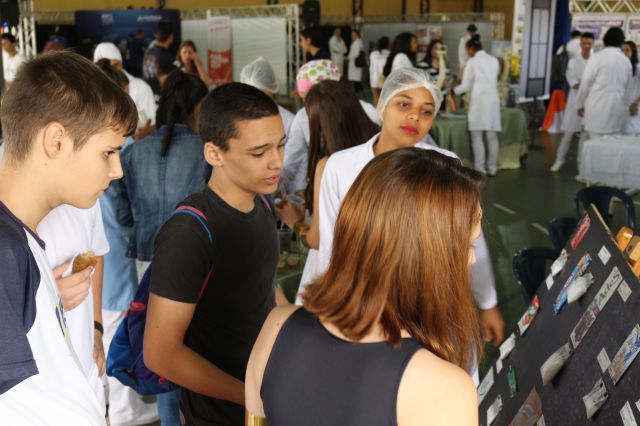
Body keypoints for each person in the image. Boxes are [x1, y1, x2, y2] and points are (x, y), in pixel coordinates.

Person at [246, 148, 482, 425]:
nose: (472, 259)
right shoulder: (443, 388)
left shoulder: (277, 326)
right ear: (426, 259)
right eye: (468, 246)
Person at [317, 69, 504, 383]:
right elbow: (332, 245)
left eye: (426, 111)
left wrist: (487, 302)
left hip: (432, 299)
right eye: (404, 104)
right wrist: (333, 312)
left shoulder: (443, 165)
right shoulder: (341, 166)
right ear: (381, 104)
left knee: (445, 380)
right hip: (368, 303)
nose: (415, 116)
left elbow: (469, 241)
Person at [0, 51, 136, 423]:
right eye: (108, 152)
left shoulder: (22, 242)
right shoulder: (5, 250)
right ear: (56, 141)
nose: (117, 170)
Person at [143, 82, 287, 425]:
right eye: (259, 153)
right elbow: (161, 354)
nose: (277, 162)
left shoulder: (261, 203)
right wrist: (249, 395)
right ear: (214, 154)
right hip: (219, 415)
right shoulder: (190, 232)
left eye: (281, 145)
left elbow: (265, 290)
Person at [275, 80, 379, 304]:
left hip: (337, 276)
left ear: (320, 125)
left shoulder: (330, 164)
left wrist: (295, 222)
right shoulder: (381, 153)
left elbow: (317, 239)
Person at [37, 203, 110, 414]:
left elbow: (95, 253)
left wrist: (97, 327)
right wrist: (44, 298)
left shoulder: (89, 196)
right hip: (35, 386)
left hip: (85, 366)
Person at [282, 60, 381, 194]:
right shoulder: (302, 117)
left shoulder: (366, 111)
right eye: (303, 99)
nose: (307, 106)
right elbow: (291, 158)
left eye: (310, 99)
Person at [453, 35, 502, 176]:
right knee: (492, 136)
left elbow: (466, 86)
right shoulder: (494, 60)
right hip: (493, 100)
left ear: (470, 49)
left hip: (479, 101)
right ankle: (492, 168)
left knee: (477, 136)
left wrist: (452, 90)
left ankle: (480, 169)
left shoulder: (472, 62)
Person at [576, 27, 632, 139]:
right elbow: (628, 89)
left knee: (596, 144)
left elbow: (586, 83)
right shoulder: (626, 61)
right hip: (618, 111)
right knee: (614, 147)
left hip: (597, 109)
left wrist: (580, 104)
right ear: (621, 42)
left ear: (604, 40)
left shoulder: (596, 58)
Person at [94, 42, 157, 139]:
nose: (111, 71)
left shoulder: (139, 87)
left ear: (121, 64)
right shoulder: (92, 91)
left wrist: (135, 137)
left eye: (115, 65)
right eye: (106, 68)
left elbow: (151, 124)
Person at [550, 32, 594, 172]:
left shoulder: (595, 61)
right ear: (580, 44)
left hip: (591, 102)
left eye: (589, 43)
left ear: (593, 44)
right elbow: (573, 82)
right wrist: (587, 87)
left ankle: (581, 165)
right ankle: (559, 160)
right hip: (575, 101)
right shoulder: (573, 61)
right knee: (568, 133)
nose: (586, 46)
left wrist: (588, 87)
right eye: (584, 43)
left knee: (585, 135)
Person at [240, 56, 295, 136]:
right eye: (249, 93)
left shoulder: (289, 121)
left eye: (260, 93)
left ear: (272, 87)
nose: (254, 99)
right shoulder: (238, 118)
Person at [143, 20, 175, 94]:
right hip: (161, 97)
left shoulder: (148, 52)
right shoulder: (167, 57)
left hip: (148, 94)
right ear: (171, 37)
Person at [622, 41, 640, 135]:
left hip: (635, 107)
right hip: (622, 107)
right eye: (622, 50)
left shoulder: (638, 67)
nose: (624, 53)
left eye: (627, 50)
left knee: (632, 134)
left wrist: (636, 103)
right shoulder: (619, 68)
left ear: (633, 52)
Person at [369, 36, 390, 105]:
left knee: (376, 98)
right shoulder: (390, 54)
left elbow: (371, 67)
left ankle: (377, 111)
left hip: (374, 79)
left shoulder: (373, 54)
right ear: (387, 44)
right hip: (386, 79)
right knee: (386, 99)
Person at [346, 29, 364, 94]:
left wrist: (348, 57)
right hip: (355, 62)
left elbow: (356, 54)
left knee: (356, 77)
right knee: (356, 77)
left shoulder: (357, 43)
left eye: (354, 35)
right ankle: (359, 89)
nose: (352, 36)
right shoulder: (358, 42)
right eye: (352, 35)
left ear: (357, 35)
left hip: (355, 62)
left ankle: (358, 90)